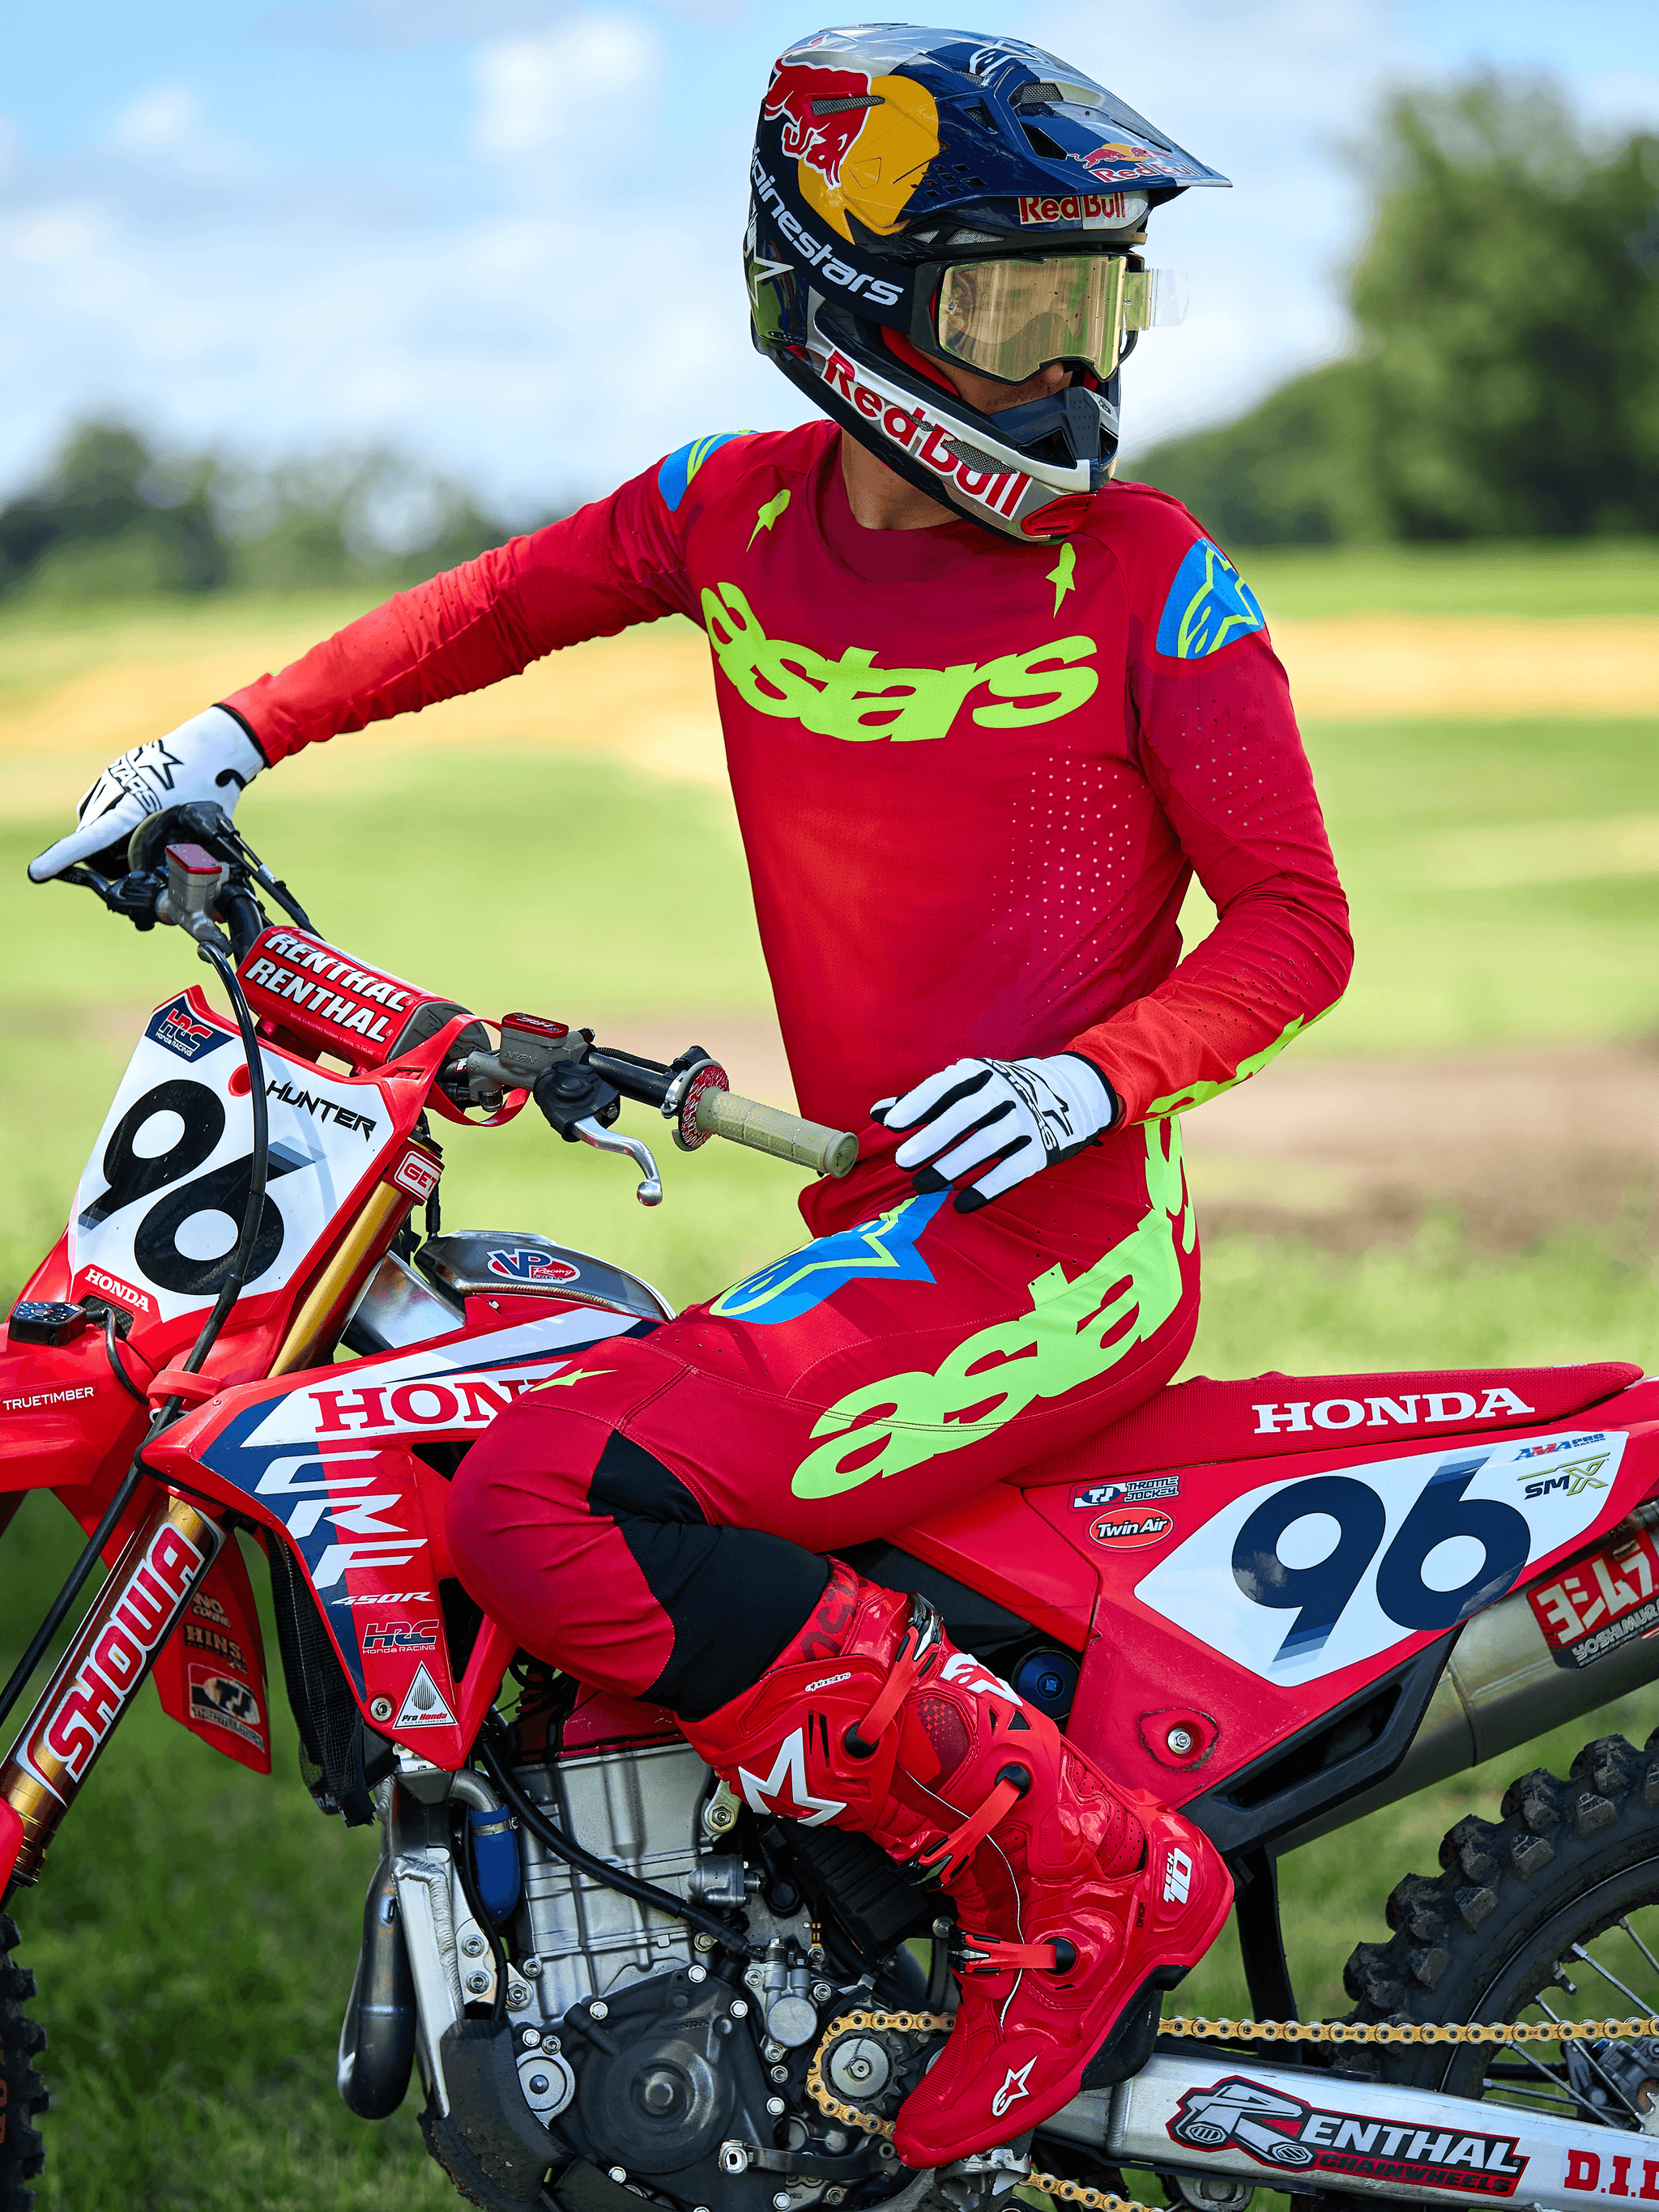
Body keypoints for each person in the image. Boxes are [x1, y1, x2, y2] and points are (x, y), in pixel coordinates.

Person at [29, 25, 1352, 2169]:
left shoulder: (1152, 577)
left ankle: (1076, 1871)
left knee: (539, 1502)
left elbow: (1298, 932)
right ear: (839, 299)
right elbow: (483, 612)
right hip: (888, 1229)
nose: (1067, 369)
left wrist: (1091, 1080)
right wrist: (220, 740)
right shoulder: (727, 519)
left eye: (1096, 303)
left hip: (1060, 1262)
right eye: (1012, 307)